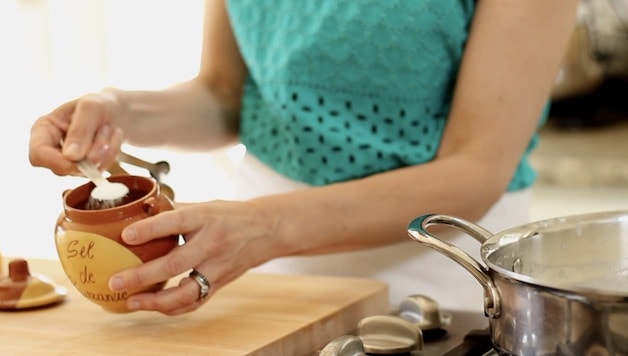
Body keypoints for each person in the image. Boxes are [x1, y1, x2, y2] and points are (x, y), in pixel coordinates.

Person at [29, 0, 578, 315]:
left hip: (436, 263)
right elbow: (227, 94)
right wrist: (119, 110)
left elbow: (475, 166)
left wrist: (266, 225)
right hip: (252, 268)